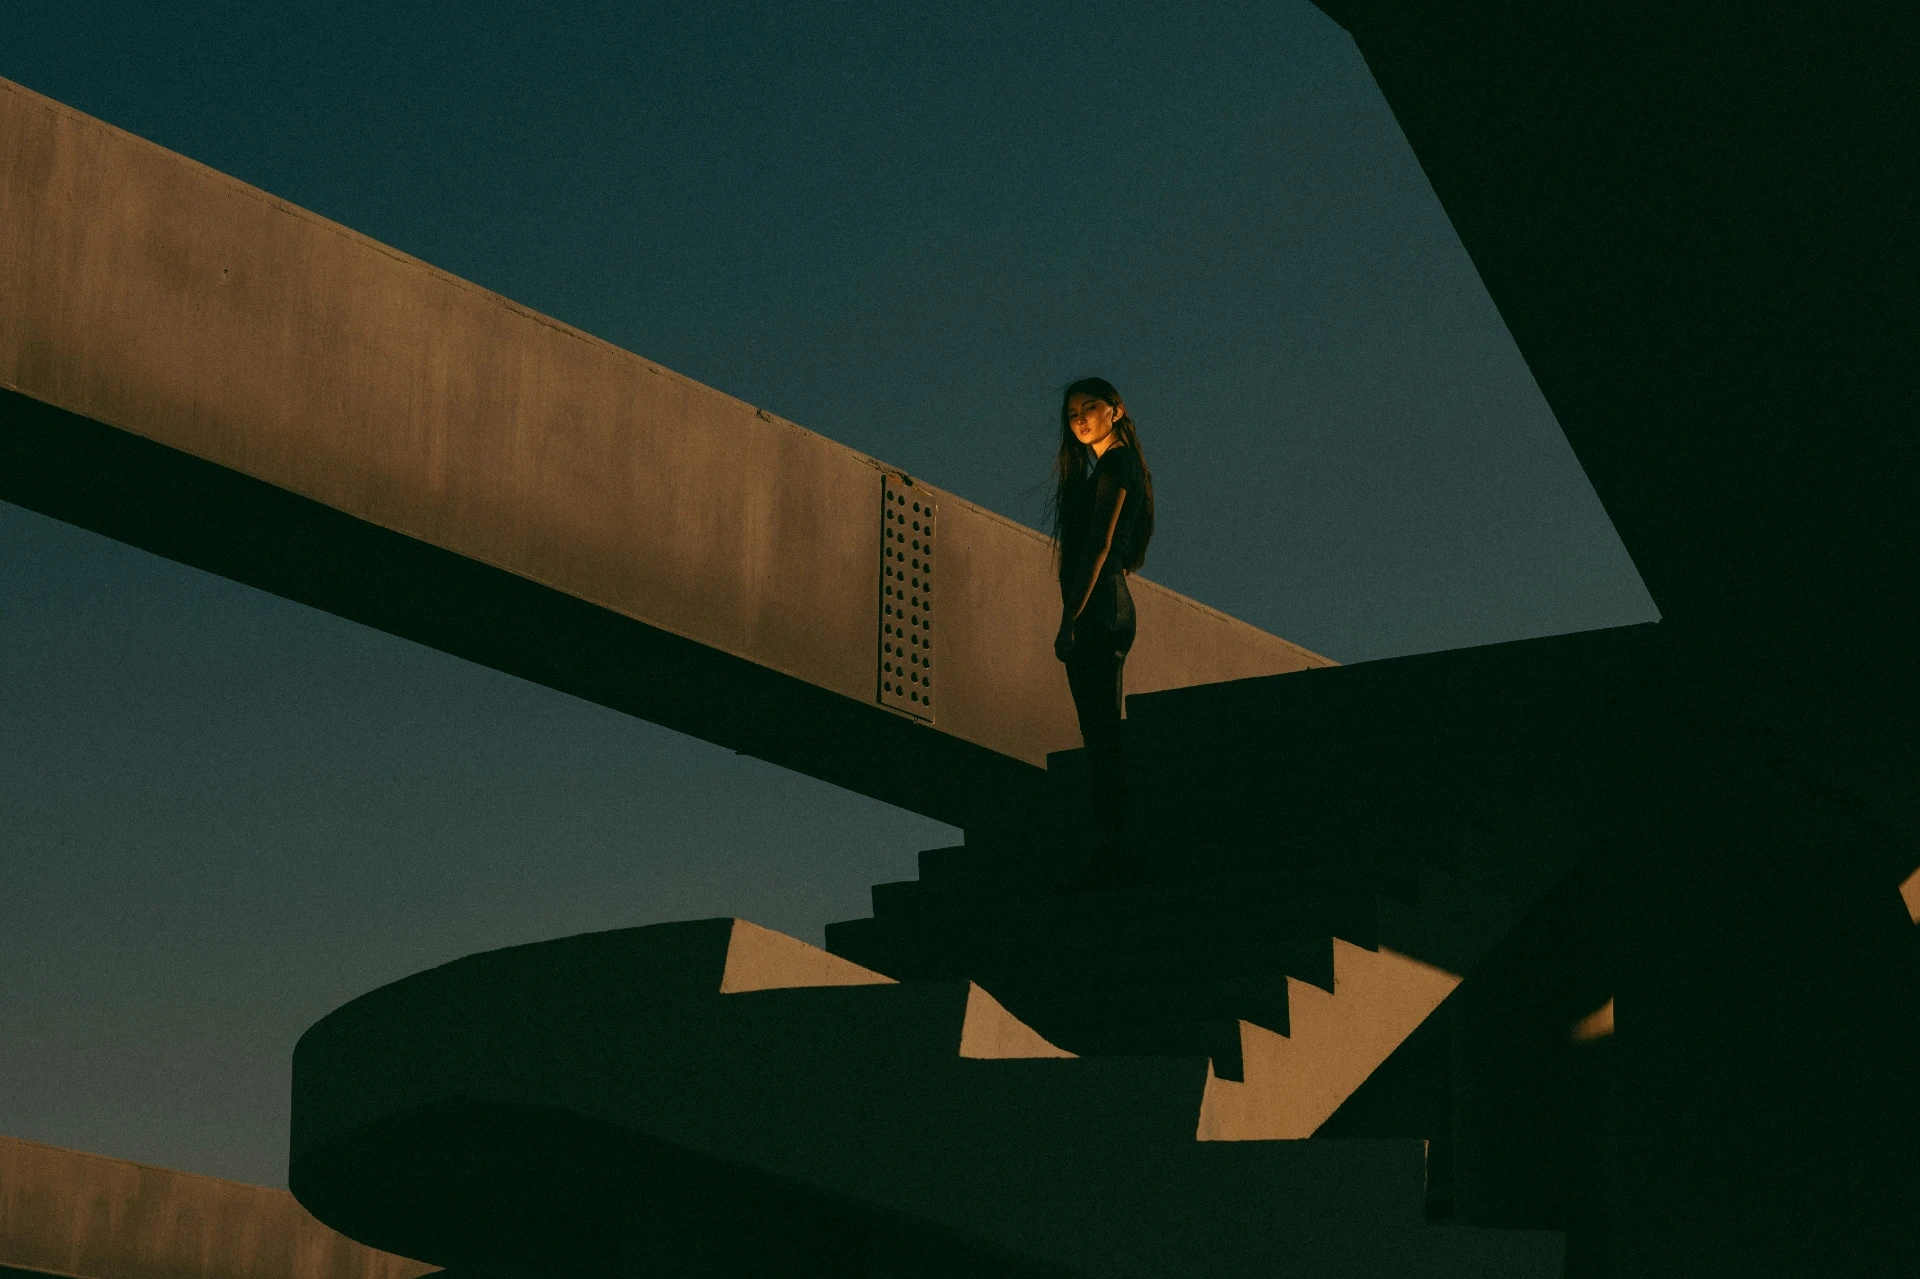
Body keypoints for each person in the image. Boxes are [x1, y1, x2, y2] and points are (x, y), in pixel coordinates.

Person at [1049, 377, 1155, 893]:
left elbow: (1099, 544)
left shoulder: (1117, 465)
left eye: (1090, 408)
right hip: (1106, 604)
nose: (1080, 419)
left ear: (1116, 408)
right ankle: (1112, 843)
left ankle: (1115, 846)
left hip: (1099, 609)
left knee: (1102, 735)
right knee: (1099, 733)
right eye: (1072, 414)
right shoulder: (1110, 466)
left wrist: (1070, 617)